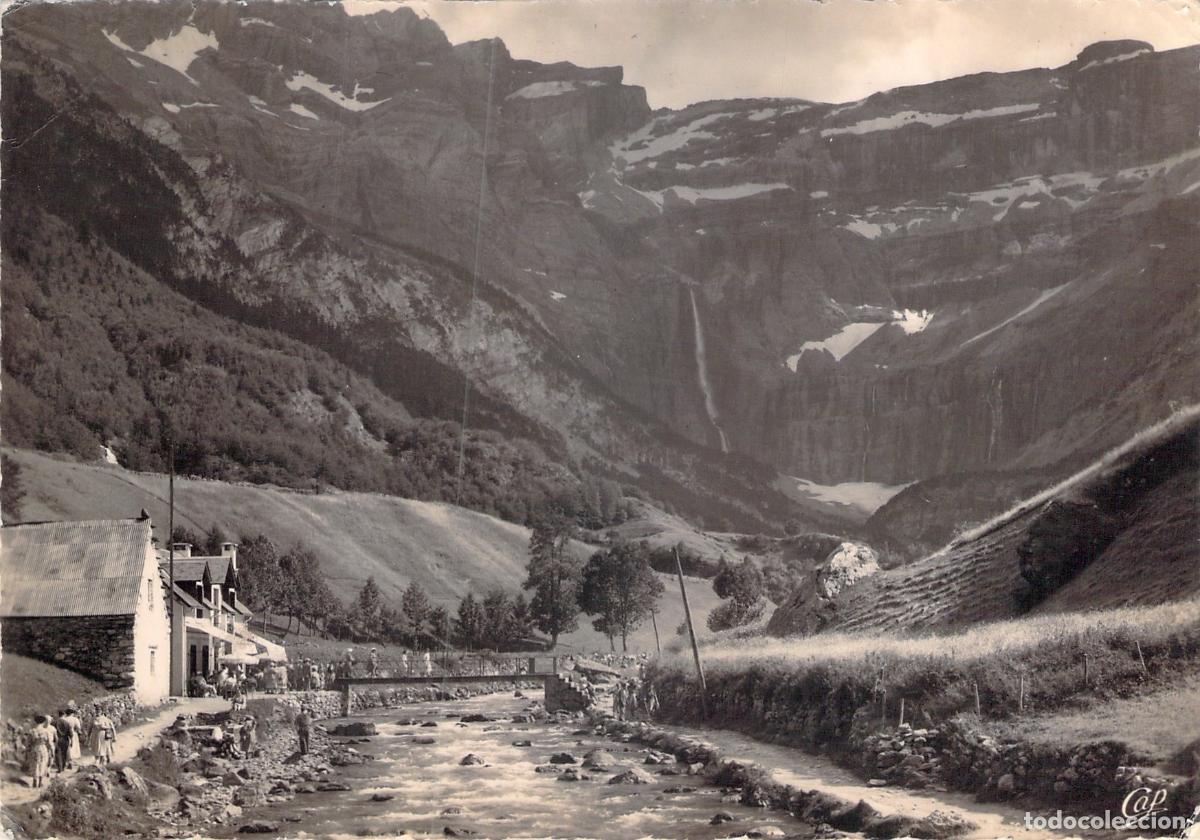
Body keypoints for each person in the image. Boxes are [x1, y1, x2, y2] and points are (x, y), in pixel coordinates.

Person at [27, 715, 56, 787]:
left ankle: (34, 781)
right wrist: (52, 752)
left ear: (35, 722)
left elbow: (28, 743)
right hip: (43, 748)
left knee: (35, 764)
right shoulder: (46, 731)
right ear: (43, 722)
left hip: (34, 749)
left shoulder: (32, 731)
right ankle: (40, 782)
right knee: (43, 764)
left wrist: (27, 751)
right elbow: (49, 743)